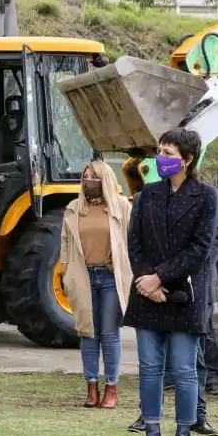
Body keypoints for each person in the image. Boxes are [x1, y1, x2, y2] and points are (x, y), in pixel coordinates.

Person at [122, 128, 218, 436]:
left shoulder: (206, 196)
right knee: (149, 368)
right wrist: (147, 281)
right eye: (160, 150)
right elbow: (134, 242)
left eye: (167, 152)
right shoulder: (147, 195)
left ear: (187, 159)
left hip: (184, 294)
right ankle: (151, 433)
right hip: (147, 293)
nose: (160, 157)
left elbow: (201, 248)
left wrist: (160, 277)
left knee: (184, 369)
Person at [59, 160, 133, 409]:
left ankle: (111, 387)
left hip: (110, 277)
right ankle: (91, 387)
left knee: (109, 334)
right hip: (83, 276)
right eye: (85, 176)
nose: (87, 180)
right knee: (87, 333)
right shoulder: (73, 209)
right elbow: (65, 246)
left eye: (93, 177)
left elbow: (132, 242)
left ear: (106, 180)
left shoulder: (122, 208)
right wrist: (67, 272)